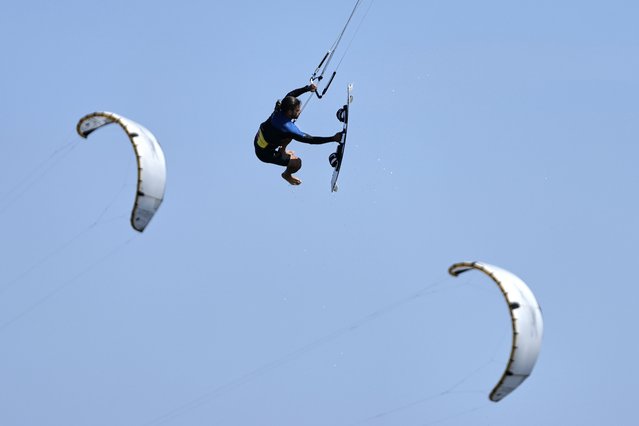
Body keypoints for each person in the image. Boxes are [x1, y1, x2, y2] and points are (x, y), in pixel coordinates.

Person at [255, 83, 343, 185]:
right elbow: (310, 140)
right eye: (297, 110)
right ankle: (286, 175)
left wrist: (307, 88)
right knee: (297, 163)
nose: (299, 111)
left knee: (287, 136)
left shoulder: (281, 107)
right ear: (289, 112)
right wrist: (332, 138)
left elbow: (290, 95)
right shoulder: (287, 128)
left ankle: (282, 151)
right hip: (264, 154)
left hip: (260, 139)